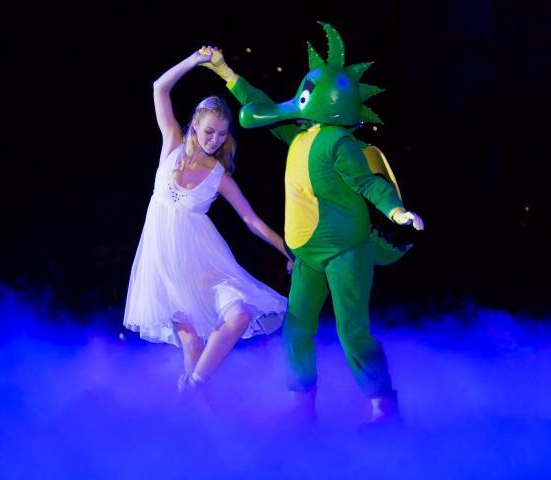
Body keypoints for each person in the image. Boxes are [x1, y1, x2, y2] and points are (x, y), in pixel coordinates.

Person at [200, 22, 424, 425]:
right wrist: (224, 72)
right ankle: (302, 407)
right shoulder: (300, 135)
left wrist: (397, 211)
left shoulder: (339, 143)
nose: (298, 102)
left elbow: (368, 183)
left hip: (344, 252)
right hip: (307, 256)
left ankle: (384, 405)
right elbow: (262, 105)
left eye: (307, 95)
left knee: (352, 331)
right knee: (296, 330)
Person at [122, 48, 292, 395]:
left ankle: (194, 386)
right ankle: (201, 420)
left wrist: (287, 250)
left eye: (221, 134)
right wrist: (194, 61)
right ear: (195, 125)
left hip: (205, 263)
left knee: (240, 314)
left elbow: (251, 219)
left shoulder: (220, 176)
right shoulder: (170, 144)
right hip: (165, 266)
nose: (215, 139)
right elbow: (159, 88)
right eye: (209, 131)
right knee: (190, 343)